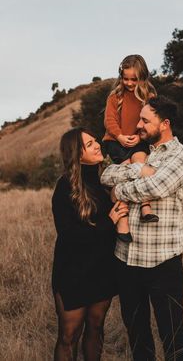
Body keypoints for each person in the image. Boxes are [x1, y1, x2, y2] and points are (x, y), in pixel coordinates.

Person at [101, 95, 183, 361]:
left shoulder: (182, 155)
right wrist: (141, 169)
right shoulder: (141, 153)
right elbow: (105, 175)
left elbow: (158, 187)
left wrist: (119, 189)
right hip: (126, 260)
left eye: (145, 120)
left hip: (162, 261)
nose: (138, 125)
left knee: (173, 334)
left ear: (164, 123)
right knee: (137, 335)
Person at [51, 127, 128, 361]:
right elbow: (69, 235)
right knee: (69, 336)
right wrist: (109, 221)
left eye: (96, 141)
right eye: (90, 143)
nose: (97, 145)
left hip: (103, 267)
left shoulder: (106, 182)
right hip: (74, 271)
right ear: (77, 152)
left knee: (96, 327)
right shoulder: (65, 186)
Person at [103, 54, 158, 243]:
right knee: (126, 172)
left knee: (141, 164)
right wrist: (119, 136)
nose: (129, 82)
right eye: (125, 78)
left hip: (137, 140)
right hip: (115, 141)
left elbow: (148, 120)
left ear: (142, 77)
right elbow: (109, 120)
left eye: (133, 79)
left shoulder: (149, 96)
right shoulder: (115, 96)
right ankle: (123, 222)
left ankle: (145, 206)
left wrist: (137, 134)